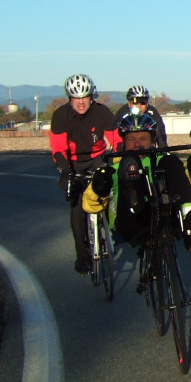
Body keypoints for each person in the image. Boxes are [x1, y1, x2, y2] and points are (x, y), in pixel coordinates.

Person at [82, 111, 191, 253]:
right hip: (130, 222)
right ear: (123, 143)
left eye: (143, 138)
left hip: (165, 216)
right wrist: (98, 188)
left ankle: (189, 217)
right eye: (131, 139)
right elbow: (89, 206)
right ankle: (136, 199)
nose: (137, 144)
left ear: (152, 142)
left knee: (171, 160)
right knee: (130, 165)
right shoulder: (113, 170)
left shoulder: (163, 162)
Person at [48, 73, 120, 275]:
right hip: (73, 162)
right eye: (76, 98)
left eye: (85, 97)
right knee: (78, 205)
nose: (81, 102)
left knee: (107, 188)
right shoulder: (61, 116)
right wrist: (65, 172)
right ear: (69, 98)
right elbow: (58, 149)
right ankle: (82, 254)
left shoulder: (101, 112)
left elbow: (116, 139)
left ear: (91, 96)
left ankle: (110, 227)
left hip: (96, 158)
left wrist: (123, 156)